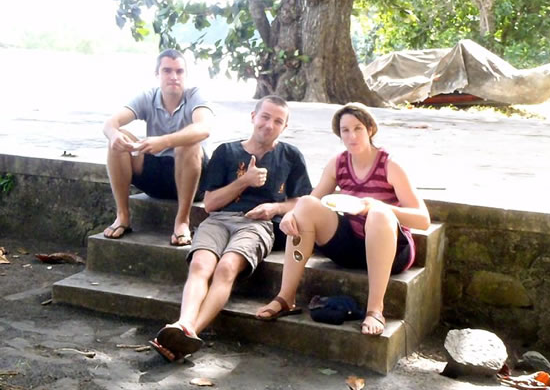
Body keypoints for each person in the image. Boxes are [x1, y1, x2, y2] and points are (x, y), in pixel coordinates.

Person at [149, 95, 313, 361]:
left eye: (278, 121)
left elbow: (302, 200)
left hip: (257, 225)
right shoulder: (227, 151)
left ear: (284, 127)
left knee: (226, 268)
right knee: (200, 265)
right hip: (219, 219)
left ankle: (188, 332)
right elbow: (211, 203)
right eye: (265, 117)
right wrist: (244, 181)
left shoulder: (290, 156)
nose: (269, 125)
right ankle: (183, 324)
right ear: (253, 117)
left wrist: (274, 208)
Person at [256, 102, 431, 336]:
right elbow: (310, 202)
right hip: (350, 247)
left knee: (378, 214)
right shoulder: (338, 163)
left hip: (390, 250)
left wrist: (378, 206)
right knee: (305, 205)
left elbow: (423, 220)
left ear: (370, 129)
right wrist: (290, 215)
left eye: (357, 128)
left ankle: (375, 309)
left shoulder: (390, 165)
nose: (351, 136)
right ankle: (286, 297)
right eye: (345, 130)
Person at [102, 49, 213, 246]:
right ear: (157, 74)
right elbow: (111, 122)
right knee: (118, 140)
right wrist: (114, 135)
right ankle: (123, 216)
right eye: (167, 71)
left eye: (179, 71)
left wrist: (165, 141)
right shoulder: (148, 97)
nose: (174, 77)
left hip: (192, 179)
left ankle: (181, 222)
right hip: (155, 177)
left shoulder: (195, 95)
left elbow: (204, 128)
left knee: (188, 143)